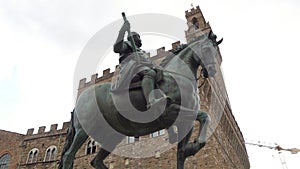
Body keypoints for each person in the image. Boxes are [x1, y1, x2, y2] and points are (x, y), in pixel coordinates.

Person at [113, 20, 166, 109]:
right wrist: (123, 31)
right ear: (133, 38)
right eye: (138, 37)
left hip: (142, 67)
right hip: (132, 68)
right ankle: (151, 101)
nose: (140, 39)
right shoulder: (127, 44)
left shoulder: (141, 51)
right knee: (149, 73)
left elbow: (148, 63)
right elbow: (117, 48)